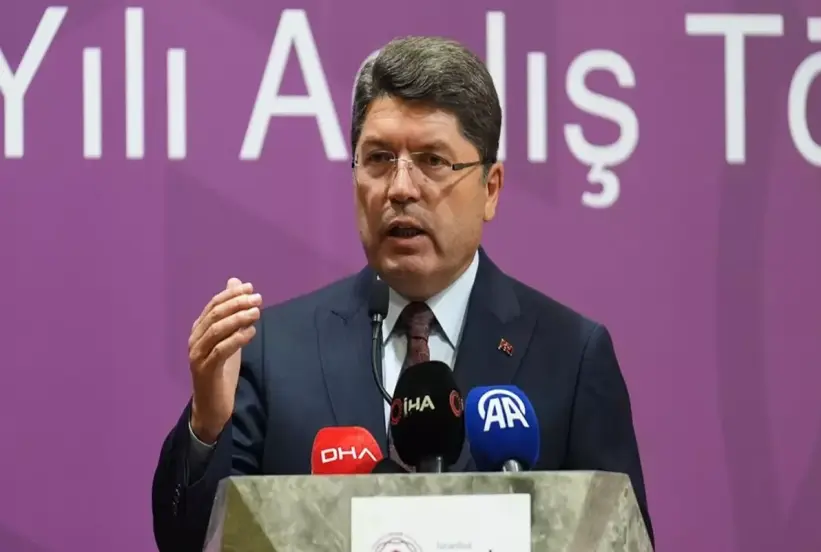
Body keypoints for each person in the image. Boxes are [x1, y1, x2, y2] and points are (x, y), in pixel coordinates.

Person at [151, 35, 653, 551]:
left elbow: (618, 539)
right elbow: (190, 542)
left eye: (433, 160)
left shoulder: (570, 357)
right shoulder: (274, 353)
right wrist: (207, 426)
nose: (401, 188)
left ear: (491, 189)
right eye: (378, 158)